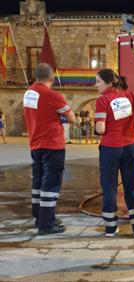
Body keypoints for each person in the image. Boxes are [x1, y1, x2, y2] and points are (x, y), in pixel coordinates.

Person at [94, 69, 134, 238]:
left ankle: (110, 228)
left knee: (110, 188)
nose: (95, 85)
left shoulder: (102, 101)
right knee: (131, 188)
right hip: (130, 147)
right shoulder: (129, 96)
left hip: (110, 149)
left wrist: (98, 127)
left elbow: (100, 128)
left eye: (98, 81)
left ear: (108, 83)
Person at [23, 63, 76, 235]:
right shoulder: (53, 95)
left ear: (35, 77)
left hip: (35, 144)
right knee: (51, 184)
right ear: (52, 78)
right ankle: (47, 224)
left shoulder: (28, 93)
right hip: (52, 145)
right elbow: (72, 118)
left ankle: (40, 217)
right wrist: (61, 117)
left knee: (38, 183)